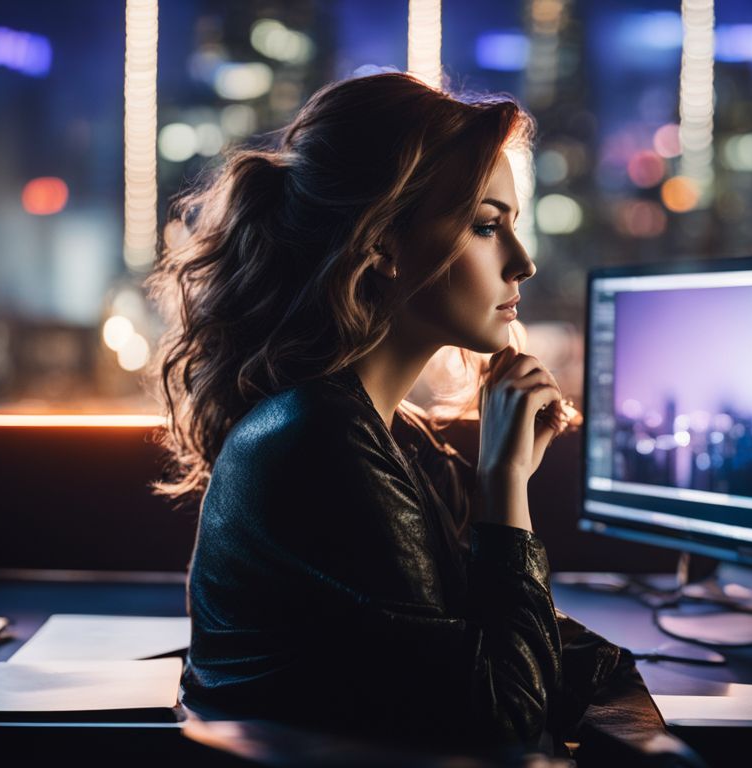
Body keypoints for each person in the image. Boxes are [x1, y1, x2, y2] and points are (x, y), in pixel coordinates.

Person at [148, 72, 660, 759]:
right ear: (382, 244)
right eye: (486, 226)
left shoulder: (392, 439)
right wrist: (505, 479)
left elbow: (572, 663)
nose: (524, 263)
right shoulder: (316, 441)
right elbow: (504, 711)